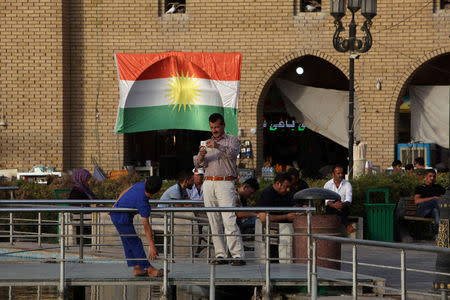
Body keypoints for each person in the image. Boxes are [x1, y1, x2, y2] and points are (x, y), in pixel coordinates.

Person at [193, 113, 245, 266]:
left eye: (216, 127)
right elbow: (198, 165)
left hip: (225, 182)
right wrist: (201, 156)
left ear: (223, 126)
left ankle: (237, 255)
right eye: (212, 127)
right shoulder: (205, 142)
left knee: (229, 219)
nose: (214, 130)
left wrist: (217, 146)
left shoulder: (232, 140)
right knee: (213, 220)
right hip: (208, 182)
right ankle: (220, 255)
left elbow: (233, 153)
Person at [110, 176, 163, 277]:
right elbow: (146, 226)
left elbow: (124, 191)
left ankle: (137, 268)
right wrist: (152, 246)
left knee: (128, 241)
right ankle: (149, 269)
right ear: (157, 192)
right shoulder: (144, 203)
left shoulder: (140, 185)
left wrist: (115, 204)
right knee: (135, 242)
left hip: (116, 213)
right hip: (121, 217)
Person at [323, 165, 355, 234]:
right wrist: (334, 205)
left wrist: (341, 205)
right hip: (331, 207)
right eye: (338, 173)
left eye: (342, 173)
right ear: (333, 174)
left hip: (343, 207)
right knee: (334, 206)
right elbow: (326, 200)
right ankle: (348, 225)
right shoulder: (327, 184)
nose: (340, 175)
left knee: (339, 206)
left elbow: (349, 200)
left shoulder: (347, 184)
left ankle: (347, 225)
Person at [414, 169, 446, 235]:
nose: (432, 178)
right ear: (426, 176)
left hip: (433, 211)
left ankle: (437, 235)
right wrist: (432, 198)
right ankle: (445, 215)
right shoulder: (420, 187)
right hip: (423, 211)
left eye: (434, 176)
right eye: (430, 176)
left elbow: (447, 195)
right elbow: (417, 201)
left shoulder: (438, 187)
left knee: (435, 211)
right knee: (435, 200)